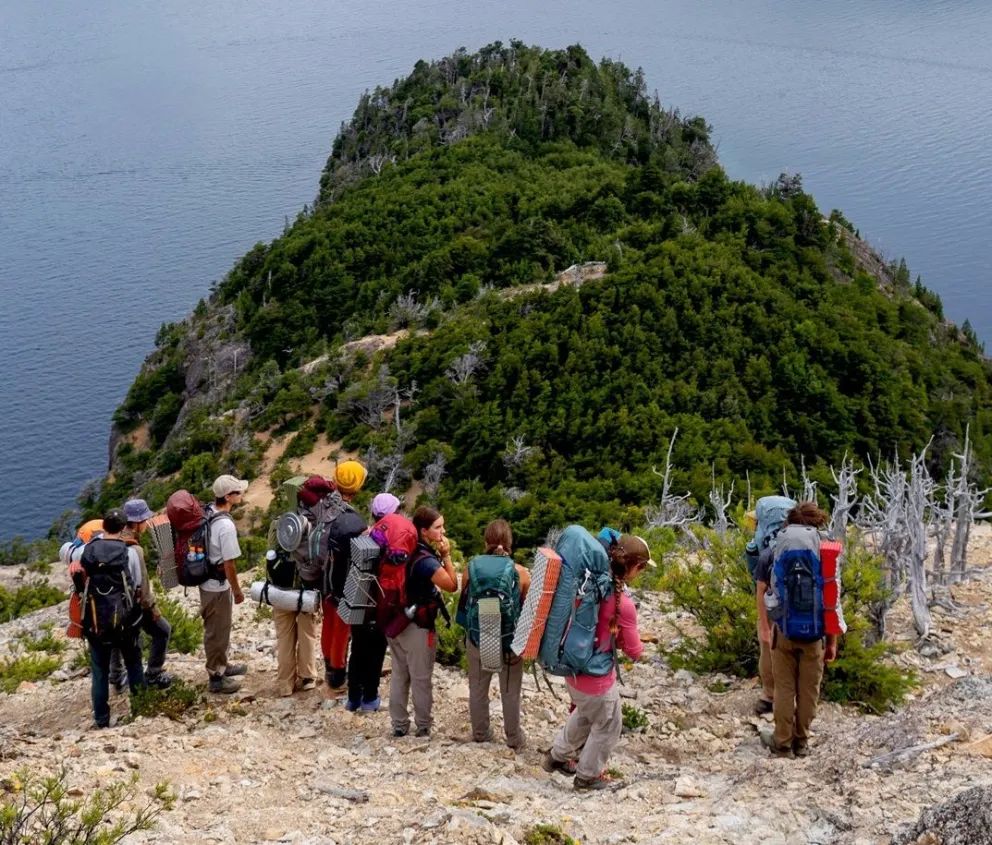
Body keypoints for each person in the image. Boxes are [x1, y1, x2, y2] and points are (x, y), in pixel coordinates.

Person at [543, 535, 652, 790]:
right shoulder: (623, 604)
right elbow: (634, 651)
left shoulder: (591, 585)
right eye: (643, 568)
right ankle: (588, 776)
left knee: (585, 713)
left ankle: (557, 756)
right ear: (635, 567)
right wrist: (641, 648)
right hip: (597, 679)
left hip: (573, 671)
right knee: (609, 724)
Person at [756, 502, 838, 758]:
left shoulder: (774, 549)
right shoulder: (825, 551)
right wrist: (832, 641)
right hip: (815, 635)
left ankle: (782, 743)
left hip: (784, 632)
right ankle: (801, 743)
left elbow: (764, 591)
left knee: (784, 689)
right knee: (809, 692)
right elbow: (832, 601)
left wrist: (766, 627)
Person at [388, 506, 458, 738]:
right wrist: (446, 556)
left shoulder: (405, 549)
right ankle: (423, 724)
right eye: (438, 527)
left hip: (396, 620)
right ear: (424, 531)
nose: (443, 531)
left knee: (399, 674)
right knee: (420, 678)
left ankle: (399, 724)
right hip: (417, 626)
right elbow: (451, 585)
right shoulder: (426, 561)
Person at [462, 519, 531, 749]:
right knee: (510, 691)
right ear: (510, 543)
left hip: (479, 637)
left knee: (478, 688)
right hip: (509, 640)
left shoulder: (470, 568)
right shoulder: (520, 572)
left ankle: (480, 732)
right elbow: (525, 607)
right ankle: (513, 738)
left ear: (486, 542)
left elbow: (464, 602)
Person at [80, 508, 147, 728]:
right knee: (134, 664)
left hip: (97, 622)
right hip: (126, 621)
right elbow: (137, 585)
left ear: (103, 526)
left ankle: (101, 720)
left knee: (100, 672)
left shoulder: (88, 551)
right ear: (123, 528)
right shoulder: (129, 552)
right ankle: (141, 710)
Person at [270, 478, 335, 696]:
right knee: (307, 633)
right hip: (308, 588)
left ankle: (285, 683)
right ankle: (307, 677)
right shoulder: (320, 526)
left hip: (282, 587)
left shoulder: (281, 522)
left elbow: (271, 553)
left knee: (284, 636)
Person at [108, 499, 173, 691]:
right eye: (145, 520)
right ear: (136, 523)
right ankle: (153, 673)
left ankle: (116, 675)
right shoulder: (135, 549)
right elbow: (143, 588)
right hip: (133, 606)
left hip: (112, 603)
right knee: (163, 630)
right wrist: (154, 610)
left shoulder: (112, 541)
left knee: (117, 637)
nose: (147, 523)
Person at [320, 461, 368, 693]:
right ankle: (337, 675)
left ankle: (328, 665)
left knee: (328, 622)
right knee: (341, 628)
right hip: (342, 580)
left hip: (323, 576)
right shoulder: (354, 521)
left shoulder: (322, 505)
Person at [201, 475, 249, 694]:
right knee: (216, 631)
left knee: (220, 627)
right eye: (238, 492)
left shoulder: (209, 512)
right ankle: (216, 677)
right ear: (228, 497)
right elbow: (229, 563)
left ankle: (222, 664)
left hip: (207, 580)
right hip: (217, 586)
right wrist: (237, 591)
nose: (241, 494)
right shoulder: (226, 526)